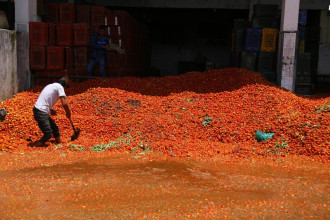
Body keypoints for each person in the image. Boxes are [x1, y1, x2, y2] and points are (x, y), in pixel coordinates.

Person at [32, 77, 71, 147]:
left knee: (55, 129)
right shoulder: (60, 87)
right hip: (41, 112)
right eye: (66, 88)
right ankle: (36, 146)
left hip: (39, 110)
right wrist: (68, 112)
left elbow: (44, 100)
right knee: (48, 133)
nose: (65, 91)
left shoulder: (50, 85)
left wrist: (50, 110)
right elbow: (64, 103)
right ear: (64, 86)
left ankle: (59, 144)